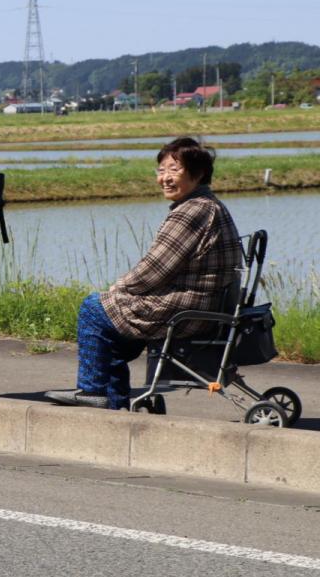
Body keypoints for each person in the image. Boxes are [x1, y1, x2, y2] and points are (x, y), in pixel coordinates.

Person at [46, 137, 241, 410]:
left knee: (93, 307)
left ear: (198, 174)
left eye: (175, 170)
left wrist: (117, 289)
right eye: (161, 170)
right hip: (203, 303)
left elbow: (153, 270)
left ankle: (92, 390)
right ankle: (114, 404)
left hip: (188, 309)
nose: (165, 178)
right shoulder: (208, 205)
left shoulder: (192, 211)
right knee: (111, 329)